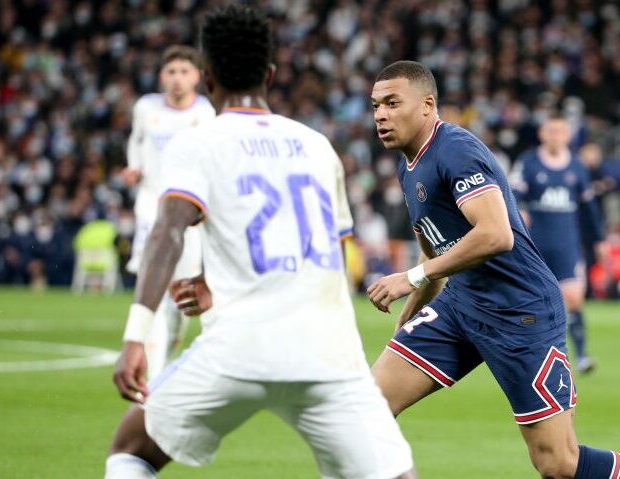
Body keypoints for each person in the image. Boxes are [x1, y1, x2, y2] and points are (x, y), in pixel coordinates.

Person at [104, 6, 414, 479]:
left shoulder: (198, 142)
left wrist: (135, 335)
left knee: (131, 448)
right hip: (328, 357)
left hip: (238, 349)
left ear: (207, 79)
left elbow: (168, 230)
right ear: (270, 74)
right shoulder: (316, 146)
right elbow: (325, 253)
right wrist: (213, 278)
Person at [366, 60, 620, 479]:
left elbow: (495, 235)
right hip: (460, 306)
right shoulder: (409, 165)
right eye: (376, 105)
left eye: (392, 103)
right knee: (366, 413)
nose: (381, 115)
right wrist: (405, 328)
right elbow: (435, 258)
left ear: (428, 105)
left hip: (521, 312)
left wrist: (408, 278)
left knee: (558, 463)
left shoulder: (456, 151)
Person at [123, 45, 215, 379]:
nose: (178, 79)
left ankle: (169, 356)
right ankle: (156, 379)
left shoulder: (205, 112)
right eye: (172, 72)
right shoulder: (146, 107)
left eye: (185, 72)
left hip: (190, 211)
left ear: (198, 77)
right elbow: (136, 141)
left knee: (184, 293)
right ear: (162, 76)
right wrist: (134, 167)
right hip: (151, 205)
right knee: (156, 285)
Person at [511, 116, 605, 373]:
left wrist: (598, 240)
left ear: (568, 135)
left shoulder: (577, 166)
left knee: (574, 298)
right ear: (542, 133)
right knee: (532, 301)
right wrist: (521, 212)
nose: (556, 135)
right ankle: (530, 352)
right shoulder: (528, 163)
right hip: (535, 245)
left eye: (561, 131)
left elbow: (589, 209)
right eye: (551, 130)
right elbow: (511, 197)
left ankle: (582, 355)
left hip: (566, 244)